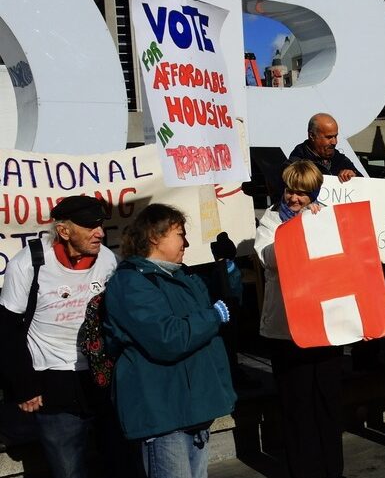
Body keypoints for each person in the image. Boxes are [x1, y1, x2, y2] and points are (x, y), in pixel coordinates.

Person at [0, 196, 133, 478]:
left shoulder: (108, 259)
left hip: (101, 376)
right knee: (69, 469)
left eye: (100, 225)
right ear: (64, 231)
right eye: (89, 226)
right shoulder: (28, 264)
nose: (99, 232)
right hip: (53, 379)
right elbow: (7, 327)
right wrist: (24, 384)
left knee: (119, 461)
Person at [104, 204, 236, 478]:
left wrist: (227, 270)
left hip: (192, 407)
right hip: (164, 413)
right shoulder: (131, 283)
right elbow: (169, 338)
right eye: (179, 233)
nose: (185, 242)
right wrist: (213, 317)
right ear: (154, 236)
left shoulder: (180, 276)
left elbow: (219, 310)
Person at [254, 161, 347, 478]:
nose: (293, 198)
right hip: (286, 331)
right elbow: (270, 257)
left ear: (314, 195)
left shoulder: (328, 217)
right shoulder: (270, 221)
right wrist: (298, 229)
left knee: (327, 405)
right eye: (290, 190)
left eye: (302, 194)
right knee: (297, 409)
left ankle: (331, 471)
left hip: (326, 328)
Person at [288, 113, 360, 182]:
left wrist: (353, 176)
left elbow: (365, 186)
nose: (334, 142)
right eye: (329, 137)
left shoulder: (340, 160)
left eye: (335, 136)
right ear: (312, 136)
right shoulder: (295, 164)